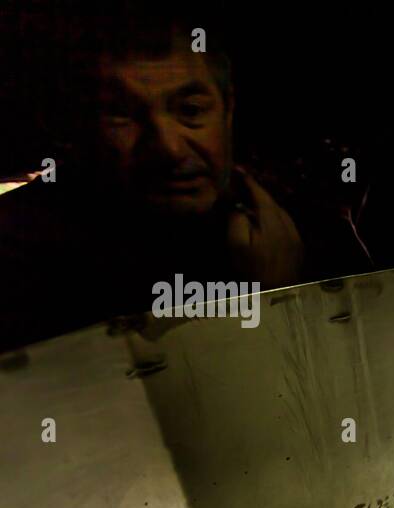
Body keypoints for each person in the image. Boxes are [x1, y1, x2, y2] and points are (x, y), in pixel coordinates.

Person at [0, 9, 362, 352]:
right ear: (80, 129)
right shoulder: (22, 251)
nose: (169, 149)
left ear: (227, 109)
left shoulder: (298, 217)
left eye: (190, 111)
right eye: (123, 116)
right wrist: (271, 301)